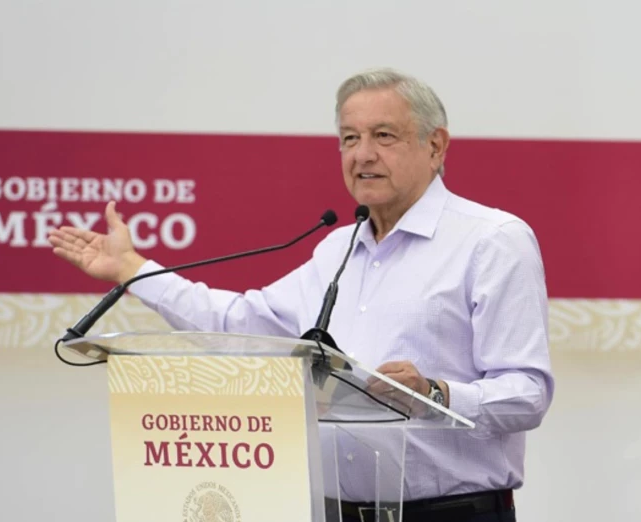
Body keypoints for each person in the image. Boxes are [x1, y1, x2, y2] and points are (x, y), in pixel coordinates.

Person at [48, 68, 554, 522]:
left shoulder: (491, 240)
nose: (362, 154)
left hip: (451, 515)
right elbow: (238, 324)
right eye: (349, 138)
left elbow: (528, 393)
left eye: (383, 136)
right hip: (329, 512)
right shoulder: (339, 248)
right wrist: (133, 269)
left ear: (436, 145)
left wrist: (434, 394)